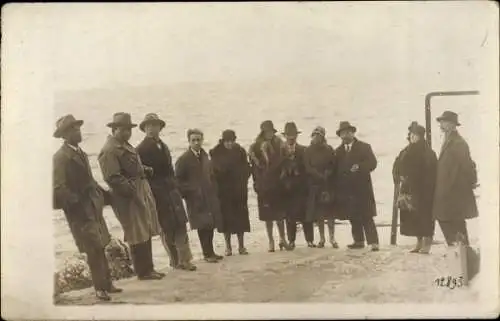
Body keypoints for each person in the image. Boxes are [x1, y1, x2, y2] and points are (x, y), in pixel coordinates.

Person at [53, 114, 122, 301]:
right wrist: (77, 204)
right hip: (80, 213)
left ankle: (107, 284)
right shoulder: (60, 157)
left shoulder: (80, 153)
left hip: (93, 207)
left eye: (78, 128)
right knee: (92, 248)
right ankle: (100, 288)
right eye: (74, 129)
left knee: (101, 245)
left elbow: (90, 181)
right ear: (65, 135)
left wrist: (105, 196)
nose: (78, 131)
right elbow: (59, 187)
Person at [98, 112, 164, 280]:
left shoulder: (124, 145)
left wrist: (145, 170)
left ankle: (149, 268)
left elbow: (134, 166)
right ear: (114, 129)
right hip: (127, 197)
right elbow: (112, 177)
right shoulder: (110, 150)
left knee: (145, 228)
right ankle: (143, 271)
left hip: (140, 189)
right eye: (123, 129)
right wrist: (132, 191)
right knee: (136, 232)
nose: (127, 132)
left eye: (129, 129)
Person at [136, 113, 196, 271]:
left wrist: (175, 185)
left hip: (171, 190)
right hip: (157, 192)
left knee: (181, 224)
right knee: (166, 227)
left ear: (159, 128)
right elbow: (140, 173)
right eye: (148, 126)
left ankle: (185, 259)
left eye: (154, 125)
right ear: (144, 129)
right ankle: (175, 261)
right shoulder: (141, 149)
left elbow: (170, 170)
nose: (151, 129)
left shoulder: (163, 146)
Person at [175, 128, 224, 263]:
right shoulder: (184, 159)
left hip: (208, 196)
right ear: (189, 141)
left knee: (210, 224)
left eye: (198, 140)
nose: (196, 142)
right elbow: (177, 181)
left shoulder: (204, 156)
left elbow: (211, 174)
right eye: (193, 140)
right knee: (202, 225)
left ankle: (211, 252)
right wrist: (191, 191)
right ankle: (206, 254)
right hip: (195, 198)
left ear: (202, 140)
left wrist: (214, 189)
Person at [432, 111, 478, 246]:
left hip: (454, 190)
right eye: (441, 122)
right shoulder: (449, 140)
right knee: (447, 219)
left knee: (453, 220)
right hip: (447, 190)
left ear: (452, 125)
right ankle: (458, 249)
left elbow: (467, 165)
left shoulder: (458, 143)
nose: (441, 124)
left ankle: (461, 251)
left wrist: (471, 182)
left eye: (444, 122)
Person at [334, 121, 380, 251]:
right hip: (347, 190)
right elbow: (336, 171)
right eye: (343, 133)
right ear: (340, 135)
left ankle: (374, 242)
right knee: (352, 215)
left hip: (362, 188)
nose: (345, 135)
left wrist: (360, 167)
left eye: (348, 132)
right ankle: (358, 240)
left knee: (367, 215)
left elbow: (373, 163)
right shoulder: (338, 152)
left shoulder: (364, 147)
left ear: (353, 133)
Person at [393, 122, 437, 254]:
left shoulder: (428, 152)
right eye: (411, 134)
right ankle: (418, 243)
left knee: (425, 216)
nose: (412, 137)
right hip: (408, 188)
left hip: (423, 189)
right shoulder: (406, 150)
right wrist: (398, 176)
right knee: (413, 217)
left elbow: (431, 171)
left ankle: (427, 243)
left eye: (415, 135)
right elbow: (397, 164)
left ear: (421, 137)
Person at [248, 120, 290, 252]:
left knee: (280, 215)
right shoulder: (255, 147)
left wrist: (284, 177)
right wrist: (256, 183)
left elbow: (286, 163)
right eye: (267, 131)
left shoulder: (280, 144)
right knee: (268, 216)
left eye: (271, 131)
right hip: (264, 185)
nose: (269, 134)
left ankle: (283, 239)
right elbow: (254, 168)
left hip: (278, 184)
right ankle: (271, 241)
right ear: (263, 132)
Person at [209, 129, 251, 256]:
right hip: (223, 191)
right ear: (223, 141)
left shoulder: (240, 150)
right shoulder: (216, 152)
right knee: (225, 220)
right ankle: (228, 247)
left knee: (241, 219)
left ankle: (241, 246)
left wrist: (243, 180)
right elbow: (213, 171)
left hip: (239, 190)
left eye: (231, 141)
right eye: (227, 141)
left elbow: (247, 168)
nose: (229, 144)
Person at [280, 122, 314, 249]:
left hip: (302, 187)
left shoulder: (303, 150)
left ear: (296, 136)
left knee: (306, 216)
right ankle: (291, 240)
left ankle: (309, 240)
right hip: (287, 188)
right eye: (289, 135)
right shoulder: (281, 151)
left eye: (293, 135)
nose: (291, 137)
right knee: (290, 216)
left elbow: (307, 168)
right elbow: (278, 168)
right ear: (285, 136)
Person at [304, 126, 339, 249]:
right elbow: (307, 167)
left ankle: (332, 238)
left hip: (328, 185)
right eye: (314, 135)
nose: (316, 137)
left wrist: (328, 173)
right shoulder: (308, 151)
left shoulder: (329, 149)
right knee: (319, 215)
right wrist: (317, 175)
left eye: (319, 135)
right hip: (315, 185)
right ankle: (322, 238)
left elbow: (333, 165)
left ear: (323, 137)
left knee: (330, 214)